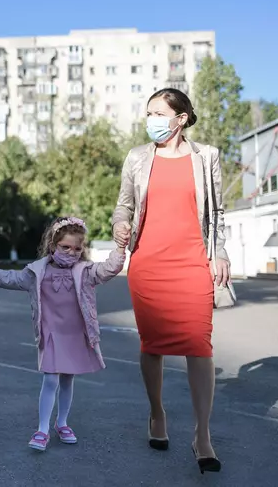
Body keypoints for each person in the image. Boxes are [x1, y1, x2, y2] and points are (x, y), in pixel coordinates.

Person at [111, 87, 230, 474]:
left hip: (193, 262)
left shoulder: (206, 157)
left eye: (159, 113)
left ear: (181, 119)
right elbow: (124, 205)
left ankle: (203, 434)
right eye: (148, 114)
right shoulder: (137, 158)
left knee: (200, 345)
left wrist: (221, 252)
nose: (151, 121)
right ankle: (157, 414)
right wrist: (120, 225)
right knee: (153, 345)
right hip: (148, 263)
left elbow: (219, 212)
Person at [0, 217, 126, 451]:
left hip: (76, 334)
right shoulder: (38, 272)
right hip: (51, 334)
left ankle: (62, 423)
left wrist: (120, 248)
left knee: (67, 379)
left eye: (77, 248)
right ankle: (42, 429)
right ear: (52, 245)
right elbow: (11, 278)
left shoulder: (85, 271)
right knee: (50, 379)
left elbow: (109, 269)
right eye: (65, 247)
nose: (71, 252)